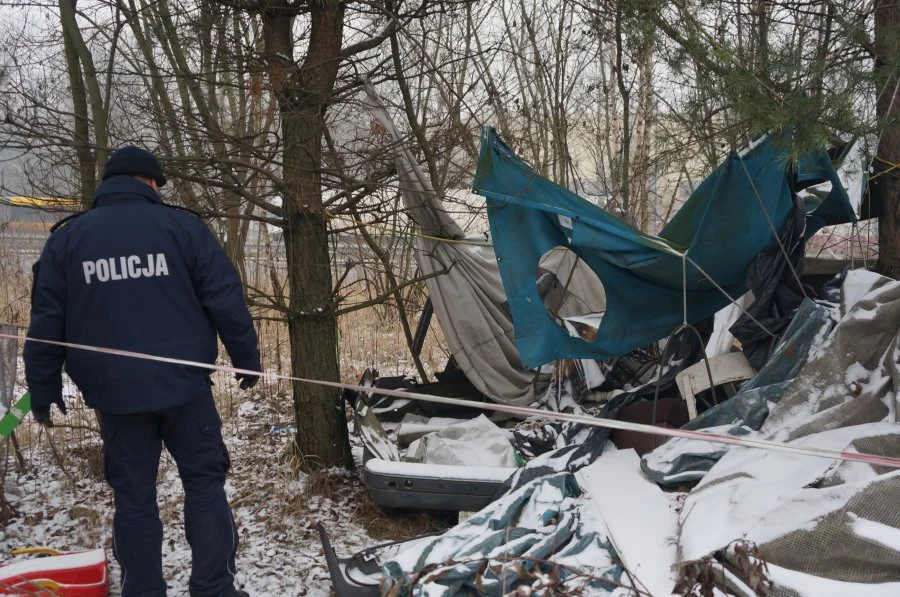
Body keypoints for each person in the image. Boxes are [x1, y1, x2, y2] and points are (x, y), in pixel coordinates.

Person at [24, 146, 261, 597]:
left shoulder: (68, 239)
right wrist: (246, 358)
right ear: (150, 183)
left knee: (134, 496)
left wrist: (42, 385)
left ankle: (144, 590)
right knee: (204, 483)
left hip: (115, 397)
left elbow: (47, 320)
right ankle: (213, 589)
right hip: (186, 390)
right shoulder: (183, 228)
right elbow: (225, 298)